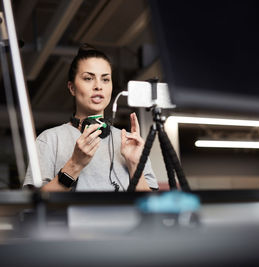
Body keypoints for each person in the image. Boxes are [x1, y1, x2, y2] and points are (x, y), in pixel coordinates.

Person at [23, 44, 158, 192]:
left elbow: (152, 209)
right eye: (88, 78)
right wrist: (75, 164)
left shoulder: (129, 141)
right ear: (72, 88)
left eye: (105, 79)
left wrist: (134, 164)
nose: (98, 86)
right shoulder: (49, 139)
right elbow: (34, 206)